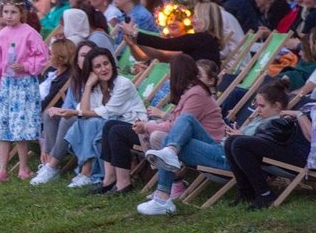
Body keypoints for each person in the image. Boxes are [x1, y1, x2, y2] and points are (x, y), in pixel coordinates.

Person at [141, 80, 292, 215]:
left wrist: (240, 136)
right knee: (187, 118)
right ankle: (170, 153)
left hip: (228, 158)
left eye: (262, 106)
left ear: (277, 106)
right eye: (257, 105)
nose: (257, 109)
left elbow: (261, 148)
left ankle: (162, 197)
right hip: (221, 146)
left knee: (167, 140)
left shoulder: (277, 124)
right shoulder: (262, 119)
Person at [99, 55, 218, 196]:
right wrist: (155, 121)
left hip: (204, 144)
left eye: (199, 75)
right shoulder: (190, 94)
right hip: (183, 138)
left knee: (135, 134)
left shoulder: (196, 95)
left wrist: (147, 126)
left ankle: (133, 184)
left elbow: (178, 125)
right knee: (110, 125)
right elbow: (178, 122)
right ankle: (110, 179)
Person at [64, 47, 146, 188]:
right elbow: (84, 110)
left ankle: (90, 173)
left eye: (106, 63)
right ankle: (94, 174)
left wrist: (76, 113)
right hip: (113, 127)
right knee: (87, 122)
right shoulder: (96, 87)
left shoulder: (123, 84)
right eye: (97, 66)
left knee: (94, 123)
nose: (103, 69)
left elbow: (108, 111)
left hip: (135, 127)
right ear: (91, 70)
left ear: (112, 64)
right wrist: (89, 85)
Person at [0, 0, 49, 182]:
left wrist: (26, 66)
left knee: (20, 126)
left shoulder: (30, 34)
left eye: (13, 12)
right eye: (6, 12)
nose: (9, 16)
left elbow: (43, 56)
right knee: (3, 124)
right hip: (6, 84)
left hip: (24, 84)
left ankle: (23, 167)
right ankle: (3, 169)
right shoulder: (2, 34)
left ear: (22, 14)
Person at [32, 40, 96, 185]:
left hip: (90, 119)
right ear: (76, 58)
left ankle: (52, 166)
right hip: (76, 116)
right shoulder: (76, 79)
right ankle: (49, 160)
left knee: (67, 119)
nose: (85, 59)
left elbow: (90, 110)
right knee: (50, 113)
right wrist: (58, 110)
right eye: (82, 55)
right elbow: (67, 105)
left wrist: (69, 112)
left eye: (89, 56)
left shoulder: (98, 79)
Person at [120, 1, 223, 66]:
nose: (192, 20)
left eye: (196, 17)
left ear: (206, 19)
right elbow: (162, 56)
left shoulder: (202, 39)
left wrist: (135, 33)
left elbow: (164, 44)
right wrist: (135, 40)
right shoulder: (207, 40)